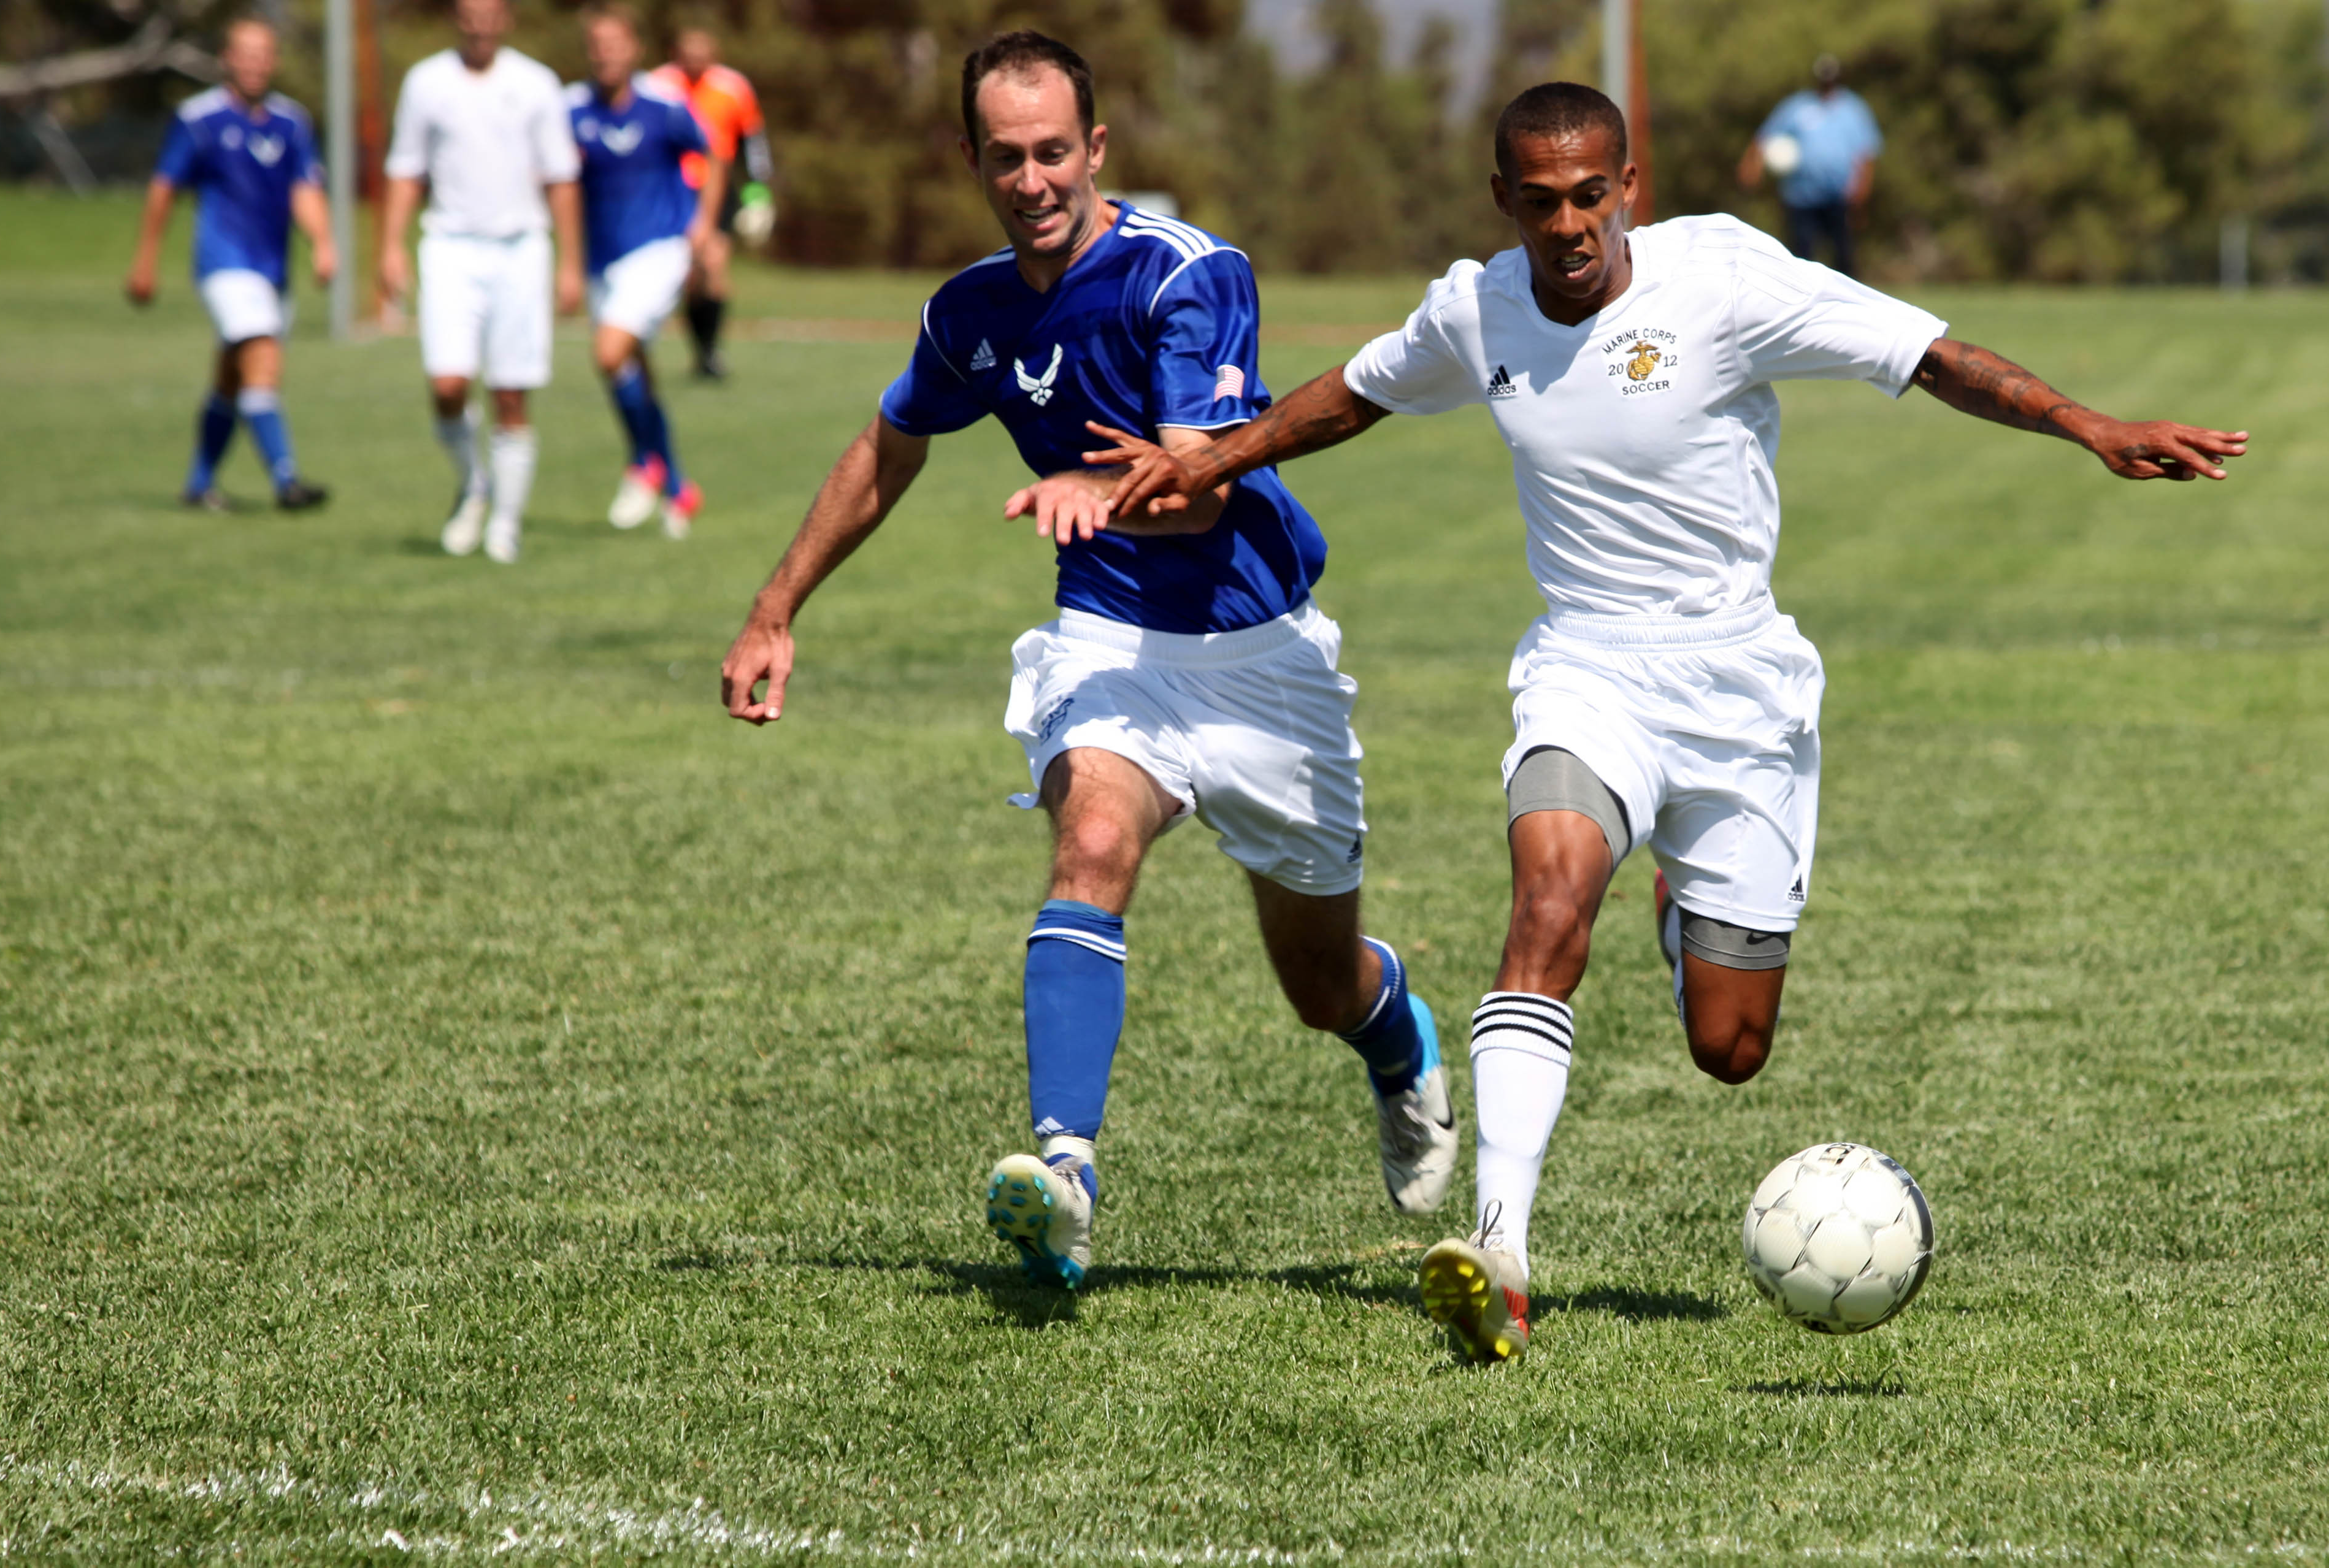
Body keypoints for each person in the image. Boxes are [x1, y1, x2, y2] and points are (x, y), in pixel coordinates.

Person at [1088, 82, 2246, 1361]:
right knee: (1544, 901)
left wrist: (2088, 425)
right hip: (1587, 669)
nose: (1570, 223)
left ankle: (1682, 911)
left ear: (1627, 185)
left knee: (1731, 1049)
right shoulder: (1480, 307)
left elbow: (1928, 355)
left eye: (1592, 195)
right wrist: (1214, 457)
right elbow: (1354, 394)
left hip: (1741, 687)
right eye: (1542, 202)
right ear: (1503, 202)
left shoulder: (1725, 282)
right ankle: (1499, 1249)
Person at [718, 31, 1457, 1292]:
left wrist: (1084, 483)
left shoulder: (1186, 273)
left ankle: (1396, 1041)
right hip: (1111, 639)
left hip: (1260, 657)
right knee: (1092, 845)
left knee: (1319, 983)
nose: (1031, 179)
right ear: (972, 160)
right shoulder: (971, 311)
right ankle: (1064, 1179)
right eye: (1004, 157)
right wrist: (777, 604)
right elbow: (892, 442)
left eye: (1053, 151)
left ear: (1095, 148)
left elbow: (1205, 490)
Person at [381, 0, 583, 565]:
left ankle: (506, 525)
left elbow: (562, 178)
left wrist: (570, 264)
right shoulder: (427, 81)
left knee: (510, 393)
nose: (480, 22)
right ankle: (474, 483)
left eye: (491, 11)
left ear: (506, 18)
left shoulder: (537, 84)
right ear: (456, 17)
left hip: (520, 249)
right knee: (448, 385)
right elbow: (405, 169)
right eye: (470, 11)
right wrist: (391, 247)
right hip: (450, 247)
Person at [125, 18, 336, 512]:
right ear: (227, 59)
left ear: (275, 60)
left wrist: (324, 242)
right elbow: (164, 189)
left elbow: (304, 189)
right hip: (224, 263)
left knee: (232, 377)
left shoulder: (291, 122)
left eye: (265, 53)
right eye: (246, 52)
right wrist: (146, 258)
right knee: (262, 357)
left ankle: (199, 485)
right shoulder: (200, 118)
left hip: (273, 269)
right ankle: (287, 480)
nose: (256, 62)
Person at [567, 4, 727, 539]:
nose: (605, 53)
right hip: (601, 261)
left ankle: (643, 462)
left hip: (659, 249)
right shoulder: (571, 109)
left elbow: (714, 155)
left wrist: (703, 224)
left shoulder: (664, 106)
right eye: (596, 44)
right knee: (634, 372)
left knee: (608, 352)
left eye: (615, 43)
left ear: (633, 48)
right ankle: (679, 486)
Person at [651, 26, 770, 379]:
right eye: (688, 56)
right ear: (676, 53)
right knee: (691, 276)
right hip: (674, 190)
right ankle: (699, 350)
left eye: (702, 56)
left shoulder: (734, 87)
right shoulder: (658, 86)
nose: (695, 64)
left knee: (714, 264)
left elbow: (753, 143)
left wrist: (758, 192)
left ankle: (710, 353)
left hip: (717, 191)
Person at [1738, 54, 1880, 277]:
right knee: (1801, 257)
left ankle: (1847, 308)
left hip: (1839, 196)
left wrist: (1862, 191)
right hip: (1801, 196)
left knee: (1844, 257)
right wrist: (1751, 167)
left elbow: (1866, 154)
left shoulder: (1853, 109)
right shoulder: (1797, 106)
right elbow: (1764, 138)